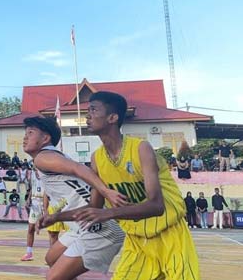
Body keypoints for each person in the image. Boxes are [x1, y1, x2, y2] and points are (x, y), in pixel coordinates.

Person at [73, 91, 200, 279]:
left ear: (112, 117)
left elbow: (156, 206)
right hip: (137, 240)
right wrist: (55, 217)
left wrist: (108, 213)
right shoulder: (97, 159)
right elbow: (94, 208)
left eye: (93, 110)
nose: (87, 115)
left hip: (170, 234)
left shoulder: (141, 148)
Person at [24, 115, 127, 279]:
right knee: (52, 258)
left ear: (45, 138)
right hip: (83, 223)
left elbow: (78, 168)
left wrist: (106, 191)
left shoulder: (42, 158)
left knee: (53, 277)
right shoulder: (51, 156)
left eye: (30, 133)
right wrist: (54, 217)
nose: (25, 137)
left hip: (101, 229)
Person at [20, 165, 42, 261]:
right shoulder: (32, 175)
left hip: (45, 204)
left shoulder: (47, 176)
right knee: (30, 228)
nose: (36, 170)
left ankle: (53, 255)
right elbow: (32, 188)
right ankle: (29, 253)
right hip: (35, 204)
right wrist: (28, 199)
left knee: (52, 232)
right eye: (35, 168)